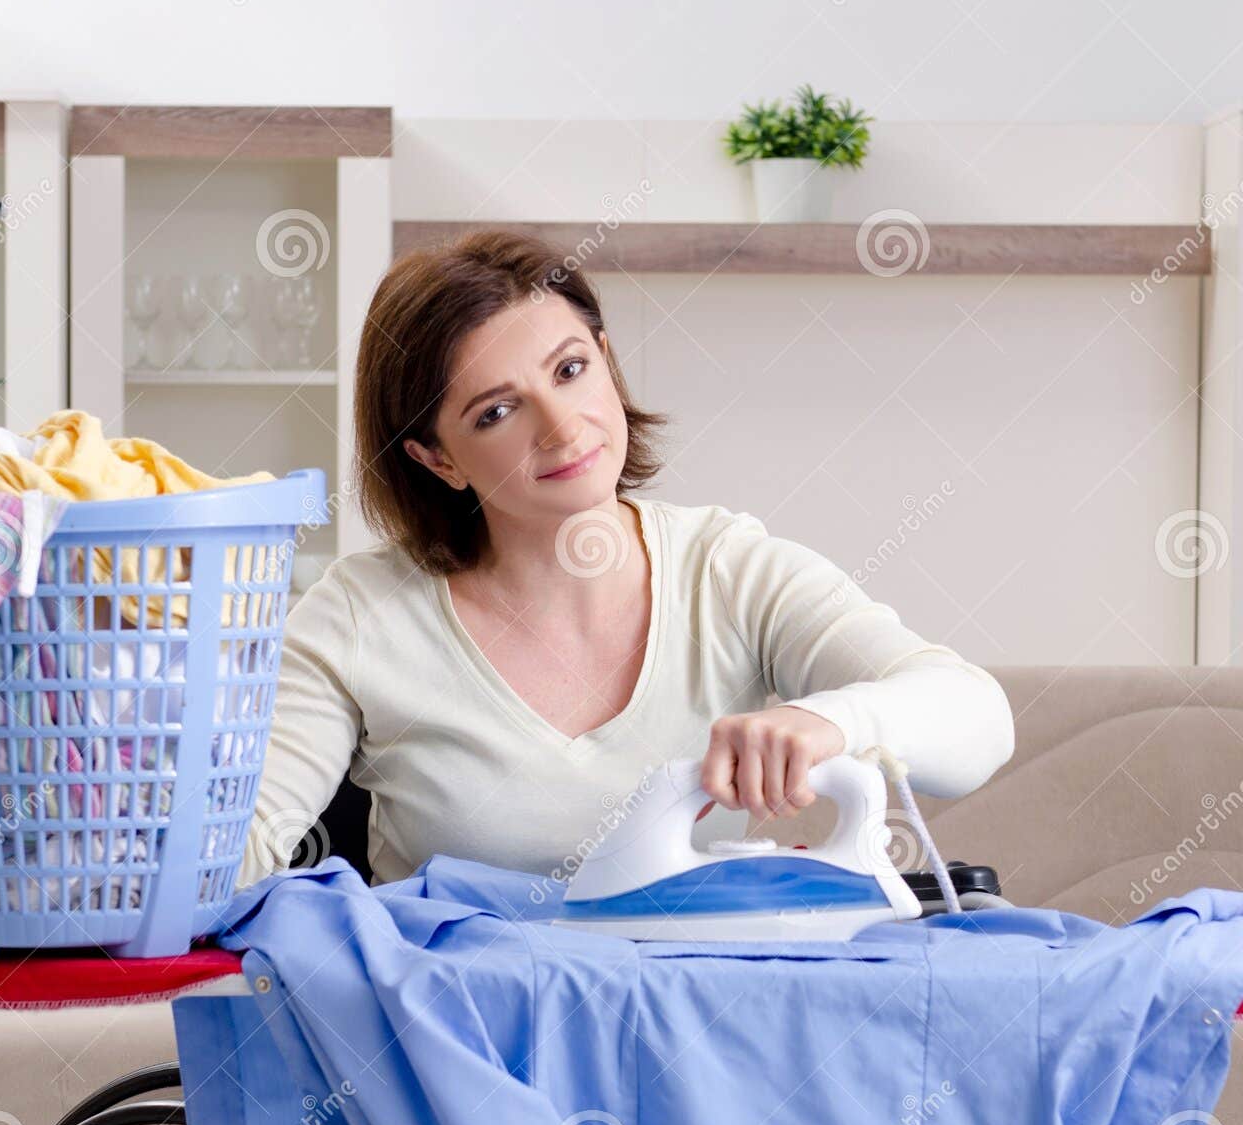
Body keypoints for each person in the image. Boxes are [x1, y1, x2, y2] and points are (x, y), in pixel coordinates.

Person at [239, 230, 1013, 888]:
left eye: (571, 370)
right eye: (498, 411)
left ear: (607, 359)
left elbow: (978, 721)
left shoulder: (727, 571)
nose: (564, 428)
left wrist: (826, 719)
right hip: (455, 1042)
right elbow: (229, 857)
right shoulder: (358, 614)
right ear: (437, 459)